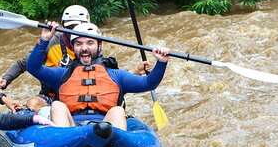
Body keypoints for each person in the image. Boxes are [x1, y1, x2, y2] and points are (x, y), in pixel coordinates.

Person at [0, 5, 149, 114]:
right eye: (71, 27)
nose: (75, 32)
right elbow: (26, 64)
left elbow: (110, 80)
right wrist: (6, 79)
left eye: (79, 27)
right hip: (52, 96)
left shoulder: (91, 47)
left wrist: (135, 72)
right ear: (64, 26)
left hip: (81, 98)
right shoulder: (51, 42)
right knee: (33, 104)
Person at [26, 21, 170, 130]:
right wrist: (44, 39)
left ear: (99, 46)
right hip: (71, 127)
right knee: (57, 105)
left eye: (90, 43)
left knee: (118, 110)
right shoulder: (61, 74)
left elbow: (148, 83)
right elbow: (33, 68)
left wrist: (161, 62)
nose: (84, 48)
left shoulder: (116, 75)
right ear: (73, 47)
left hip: (107, 127)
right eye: (79, 44)